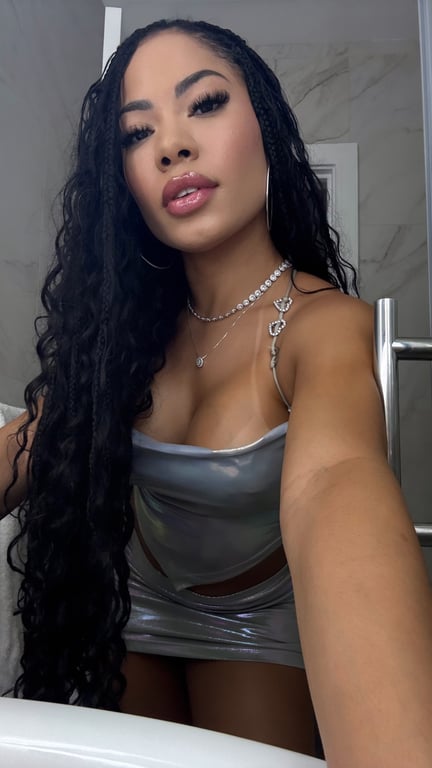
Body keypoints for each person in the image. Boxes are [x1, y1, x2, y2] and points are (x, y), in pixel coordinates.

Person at [0, 17, 431, 766]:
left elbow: (334, 480)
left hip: (255, 625)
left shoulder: (325, 325)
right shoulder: (122, 337)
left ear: (266, 128)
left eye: (203, 104)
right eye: (137, 134)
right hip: (130, 610)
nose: (170, 145)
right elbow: (32, 443)